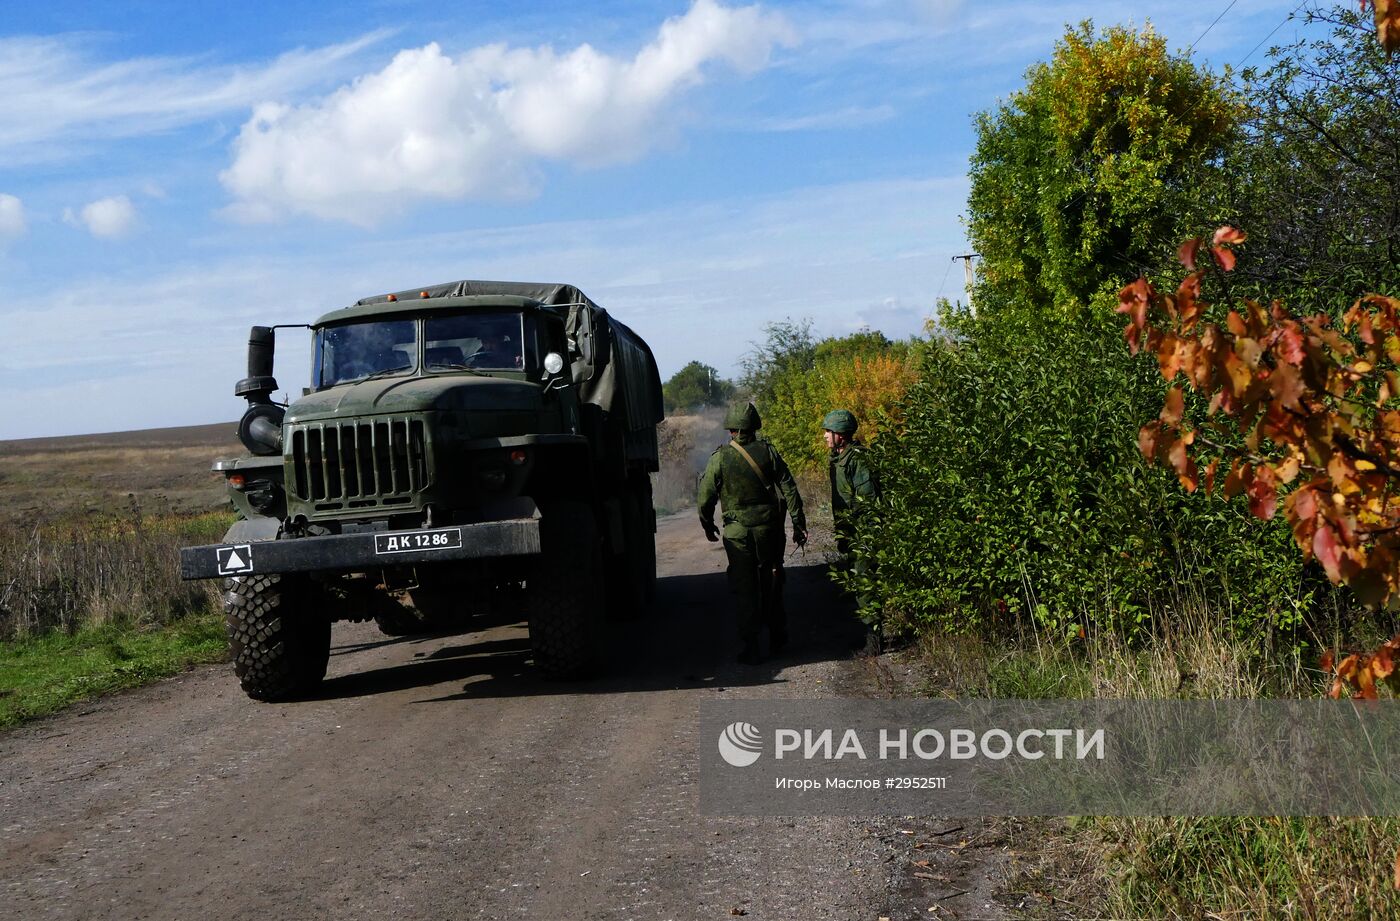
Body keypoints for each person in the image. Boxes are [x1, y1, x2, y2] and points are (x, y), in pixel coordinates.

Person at [698, 402, 807, 665]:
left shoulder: (720, 458)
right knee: (772, 577)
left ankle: (752, 645)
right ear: (755, 426)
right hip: (769, 529)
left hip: (738, 534)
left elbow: (705, 498)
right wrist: (798, 522)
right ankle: (778, 636)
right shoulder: (768, 452)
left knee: (746, 587)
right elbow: (789, 488)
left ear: (731, 429)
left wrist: (707, 524)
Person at [822, 409, 883, 654]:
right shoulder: (839, 458)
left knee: (866, 583)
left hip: (864, 533)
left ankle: (874, 640)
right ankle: (868, 634)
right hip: (851, 532)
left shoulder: (857, 460)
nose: (825, 436)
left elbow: (867, 501)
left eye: (829, 431)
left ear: (842, 435)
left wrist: (862, 536)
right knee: (859, 583)